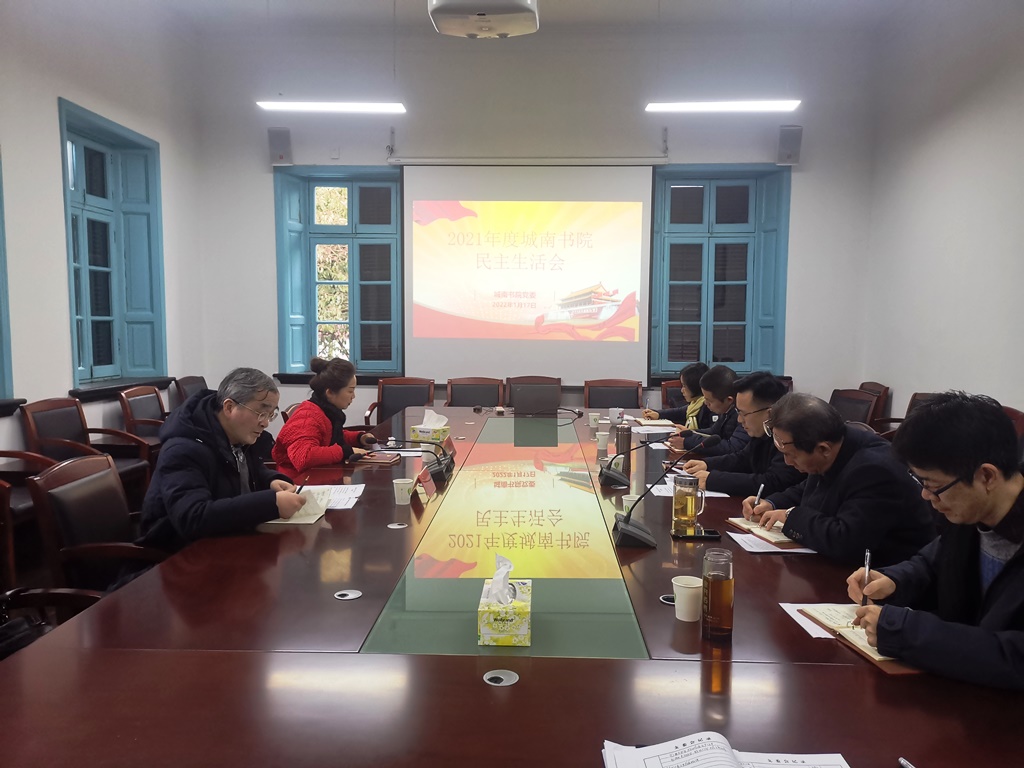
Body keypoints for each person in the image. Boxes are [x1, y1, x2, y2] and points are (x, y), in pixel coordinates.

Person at [846, 392, 1024, 689]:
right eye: (921, 482)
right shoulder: (970, 510)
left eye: (933, 485)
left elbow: (1015, 657)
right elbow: (932, 562)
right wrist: (894, 581)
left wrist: (904, 632)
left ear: (987, 476)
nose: (926, 496)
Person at [742, 392, 935, 567]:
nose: (787, 462)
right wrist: (771, 503)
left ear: (823, 449)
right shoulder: (834, 445)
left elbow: (845, 540)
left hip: (884, 576)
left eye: (791, 455)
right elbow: (811, 487)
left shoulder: (874, 470)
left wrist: (790, 515)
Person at [138, 368, 305, 553]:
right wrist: (270, 503)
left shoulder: (236, 434)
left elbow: (244, 470)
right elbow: (193, 518)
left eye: (270, 415)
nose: (265, 423)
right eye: (261, 413)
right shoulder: (183, 450)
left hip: (228, 542)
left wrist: (269, 480)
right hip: (179, 555)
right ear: (229, 407)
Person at [681, 371, 804, 496]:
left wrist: (713, 479)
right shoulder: (762, 431)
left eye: (744, 413)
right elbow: (743, 459)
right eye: (738, 412)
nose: (739, 420)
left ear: (770, 413)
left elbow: (774, 482)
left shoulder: (789, 436)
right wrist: (707, 464)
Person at [272, 356, 378, 479]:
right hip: (297, 482)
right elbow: (304, 457)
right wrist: (345, 452)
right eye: (350, 391)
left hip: (318, 476)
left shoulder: (325, 411)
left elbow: (327, 436)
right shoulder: (307, 416)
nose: (353, 396)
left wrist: (359, 438)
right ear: (330, 392)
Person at [667, 364, 749, 458]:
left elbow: (731, 447)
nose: (705, 403)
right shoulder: (726, 410)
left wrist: (687, 442)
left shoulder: (743, 415)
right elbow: (713, 432)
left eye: (709, 401)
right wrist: (689, 432)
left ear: (729, 400)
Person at [642, 362, 712, 431]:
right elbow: (679, 412)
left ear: (694, 386)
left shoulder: (708, 406)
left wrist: (689, 434)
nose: (682, 390)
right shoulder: (695, 404)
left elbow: (711, 434)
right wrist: (658, 414)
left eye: (684, 386)